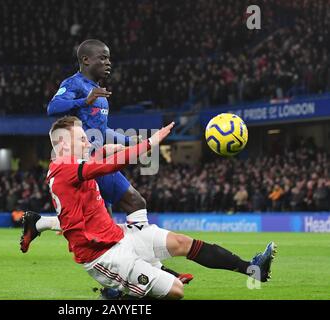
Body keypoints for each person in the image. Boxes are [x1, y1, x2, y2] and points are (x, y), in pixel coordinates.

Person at [23, 116, 276, 299]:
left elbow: (93, 162)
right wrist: (151, 143)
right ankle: (123, 295)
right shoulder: (66, 169)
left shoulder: (68, 164)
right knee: (175, 291)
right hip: (103, 256)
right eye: (81, 138)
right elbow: (104, 167)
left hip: (117, 235)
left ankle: (252, 269)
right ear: (64, 145)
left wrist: (108, 149)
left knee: (181, 242)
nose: (87, 141)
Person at [22, 39, 188, 289]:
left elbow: (102, 129)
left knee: (111, 221)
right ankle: (154, 271)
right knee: (125, 209)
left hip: (98, 160)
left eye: (109, 58)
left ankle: (40, 223)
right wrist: (83, 101)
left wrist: (128, 140)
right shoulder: (73, 84)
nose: (108, 63)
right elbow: (52, 108)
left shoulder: (100, 95)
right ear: (86, 60)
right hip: (83, 164)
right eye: (102, 58)